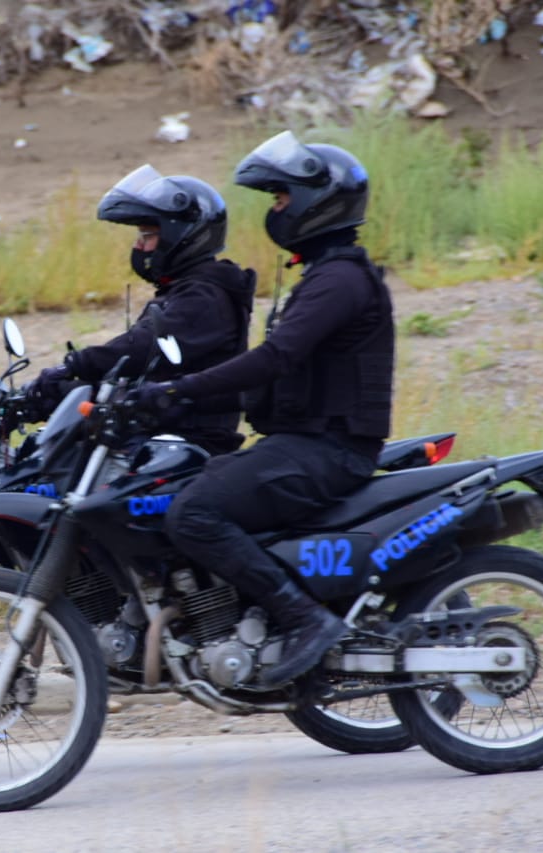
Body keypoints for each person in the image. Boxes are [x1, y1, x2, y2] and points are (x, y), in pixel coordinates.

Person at [135, 130, 394, 687]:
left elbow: (274, 358)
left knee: (194, 514)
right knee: (173, 496)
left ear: (315, 203)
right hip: (301, 444)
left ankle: (304, 618)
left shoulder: (340, 280)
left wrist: (180, 391)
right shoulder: (326, 276)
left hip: (328, 450)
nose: (275, 211)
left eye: (280, 199)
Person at [24, 164, 256, 456]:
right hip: (150, 429)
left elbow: (143, 348)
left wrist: (75, 364)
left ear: (181, 235)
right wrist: (54, 394)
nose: (139, 246)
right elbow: (142, 374)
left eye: (147, 236)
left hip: (187, 443)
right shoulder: (185, 290)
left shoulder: (206, 297)